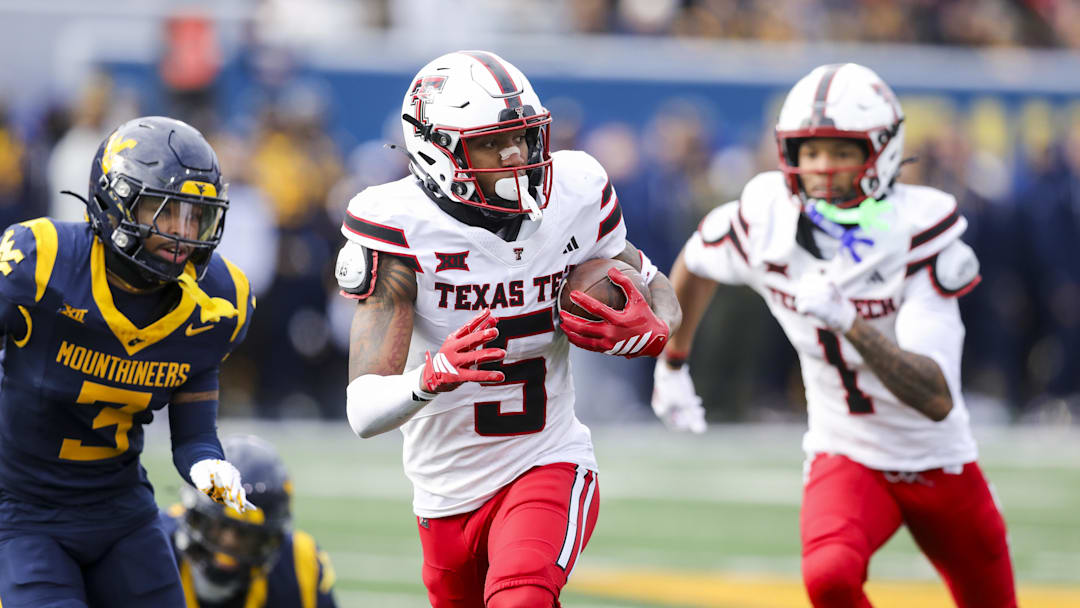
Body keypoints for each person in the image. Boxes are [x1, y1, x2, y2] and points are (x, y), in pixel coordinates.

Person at [652, 63, 1017, 607]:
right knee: (829, 576)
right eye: (811, 151)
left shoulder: (919, 234)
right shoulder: (767, 218)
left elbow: (936, 397)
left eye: (842, 152)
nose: (823, 168)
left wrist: (851, 322)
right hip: (846, 452)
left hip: (939, 458)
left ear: (881, 152)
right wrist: (673, 361)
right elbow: (697, 258)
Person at [335, 50, 681, 607]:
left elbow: (654, 281)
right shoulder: (400, 225)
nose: (517, 154)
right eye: (492, 143)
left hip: (546, 458)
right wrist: (432, 375)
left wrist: (659, 324)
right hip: (444, 490)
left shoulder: (576, 191)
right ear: (437, 152)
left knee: (522, 598)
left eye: (523, 136)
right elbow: (362, 410)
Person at [0, 116, 257, 607]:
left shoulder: (216, 302)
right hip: (23, 510)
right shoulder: (43, 260)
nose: (182, 234)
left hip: (120, 511)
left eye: (195, 216)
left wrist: (208, 466)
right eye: (165, 213)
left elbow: (195, 436)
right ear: (116, 202)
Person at [162, 434, 338, 608]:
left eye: (245, 533)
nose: (229, 541)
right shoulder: (155, 544)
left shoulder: (298, 564)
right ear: (195, 517)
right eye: (221, 525)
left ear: (268, 537)